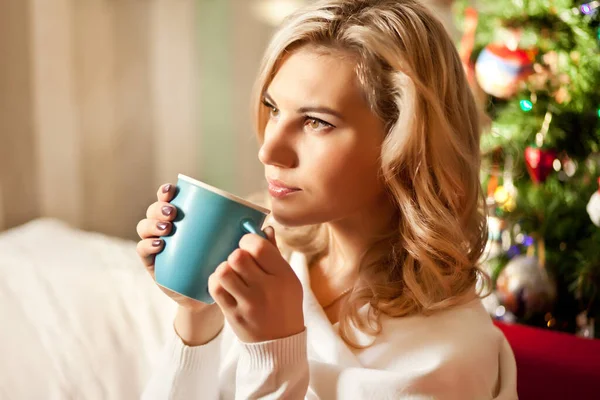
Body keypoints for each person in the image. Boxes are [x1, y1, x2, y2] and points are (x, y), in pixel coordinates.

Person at [136, 0, 517, 398]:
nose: (269, 151)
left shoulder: (449, 354)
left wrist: (273, 350)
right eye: (274, 109)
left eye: (316, 122)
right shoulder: (277, 267)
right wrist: (197, 315)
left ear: (406, 144)